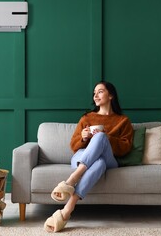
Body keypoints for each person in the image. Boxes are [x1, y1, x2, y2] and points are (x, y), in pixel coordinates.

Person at [44, 81, 134, 232]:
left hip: (110, 159)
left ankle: (72, 180)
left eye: (100, 91)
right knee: (98, 164)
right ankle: (67, 210)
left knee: (100, 139)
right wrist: (83, 138)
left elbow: (125, 147)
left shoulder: (123, 121)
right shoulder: (87, 118)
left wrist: (105, 138)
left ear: (110, 95)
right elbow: (73, 145)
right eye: (94, 93)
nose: (96, 95)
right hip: (82, 157)